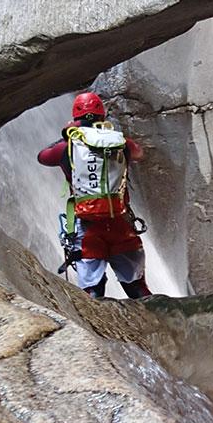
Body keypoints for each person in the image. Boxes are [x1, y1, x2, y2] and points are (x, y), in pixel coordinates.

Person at [37, 92, 152, 299]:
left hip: (87, 229)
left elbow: (43, 157)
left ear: (76, 117)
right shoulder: (120, 143)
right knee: (138, 288)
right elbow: (139, 153)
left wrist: (67, 133)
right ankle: (164, 325)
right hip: (121, 224)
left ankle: (99, 331)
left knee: (92, 293)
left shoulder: (68, 146)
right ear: (102, 116)